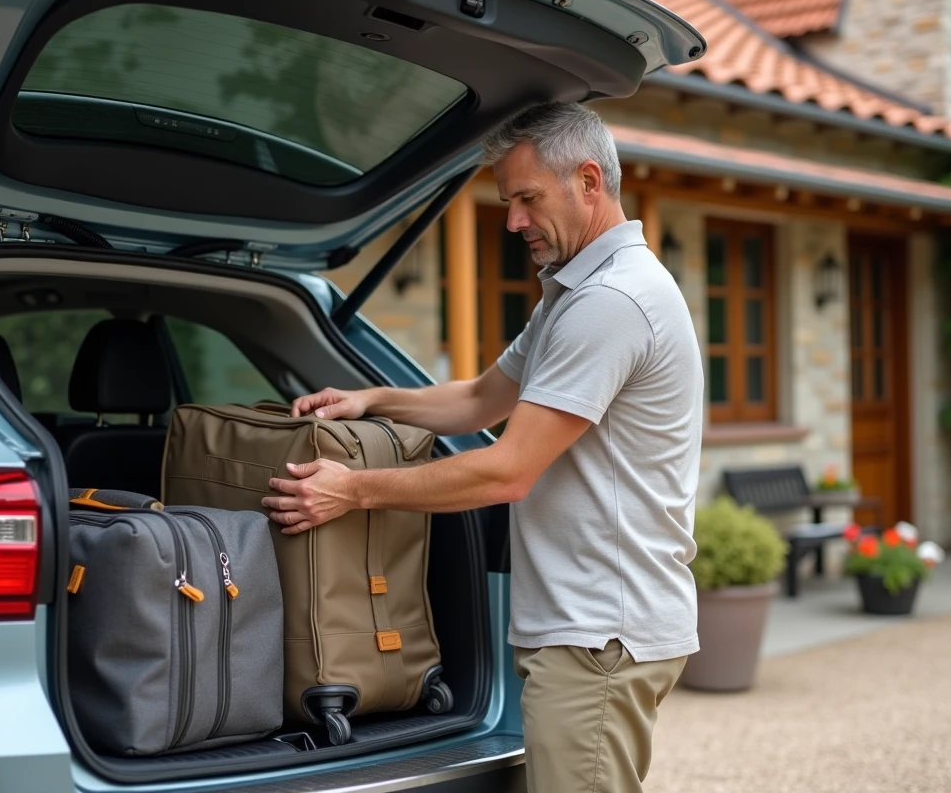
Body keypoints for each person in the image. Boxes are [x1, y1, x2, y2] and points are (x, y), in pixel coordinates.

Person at [262, 101, 704, 793]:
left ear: (589, 182)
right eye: (508, 202)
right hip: (588, 626)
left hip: (598, 632)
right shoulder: (572, 295)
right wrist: (372, 400)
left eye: (528, 199)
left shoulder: (611, 302)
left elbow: (507, 471)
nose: (513, 221)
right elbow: (477, 399)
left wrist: (350, 489)